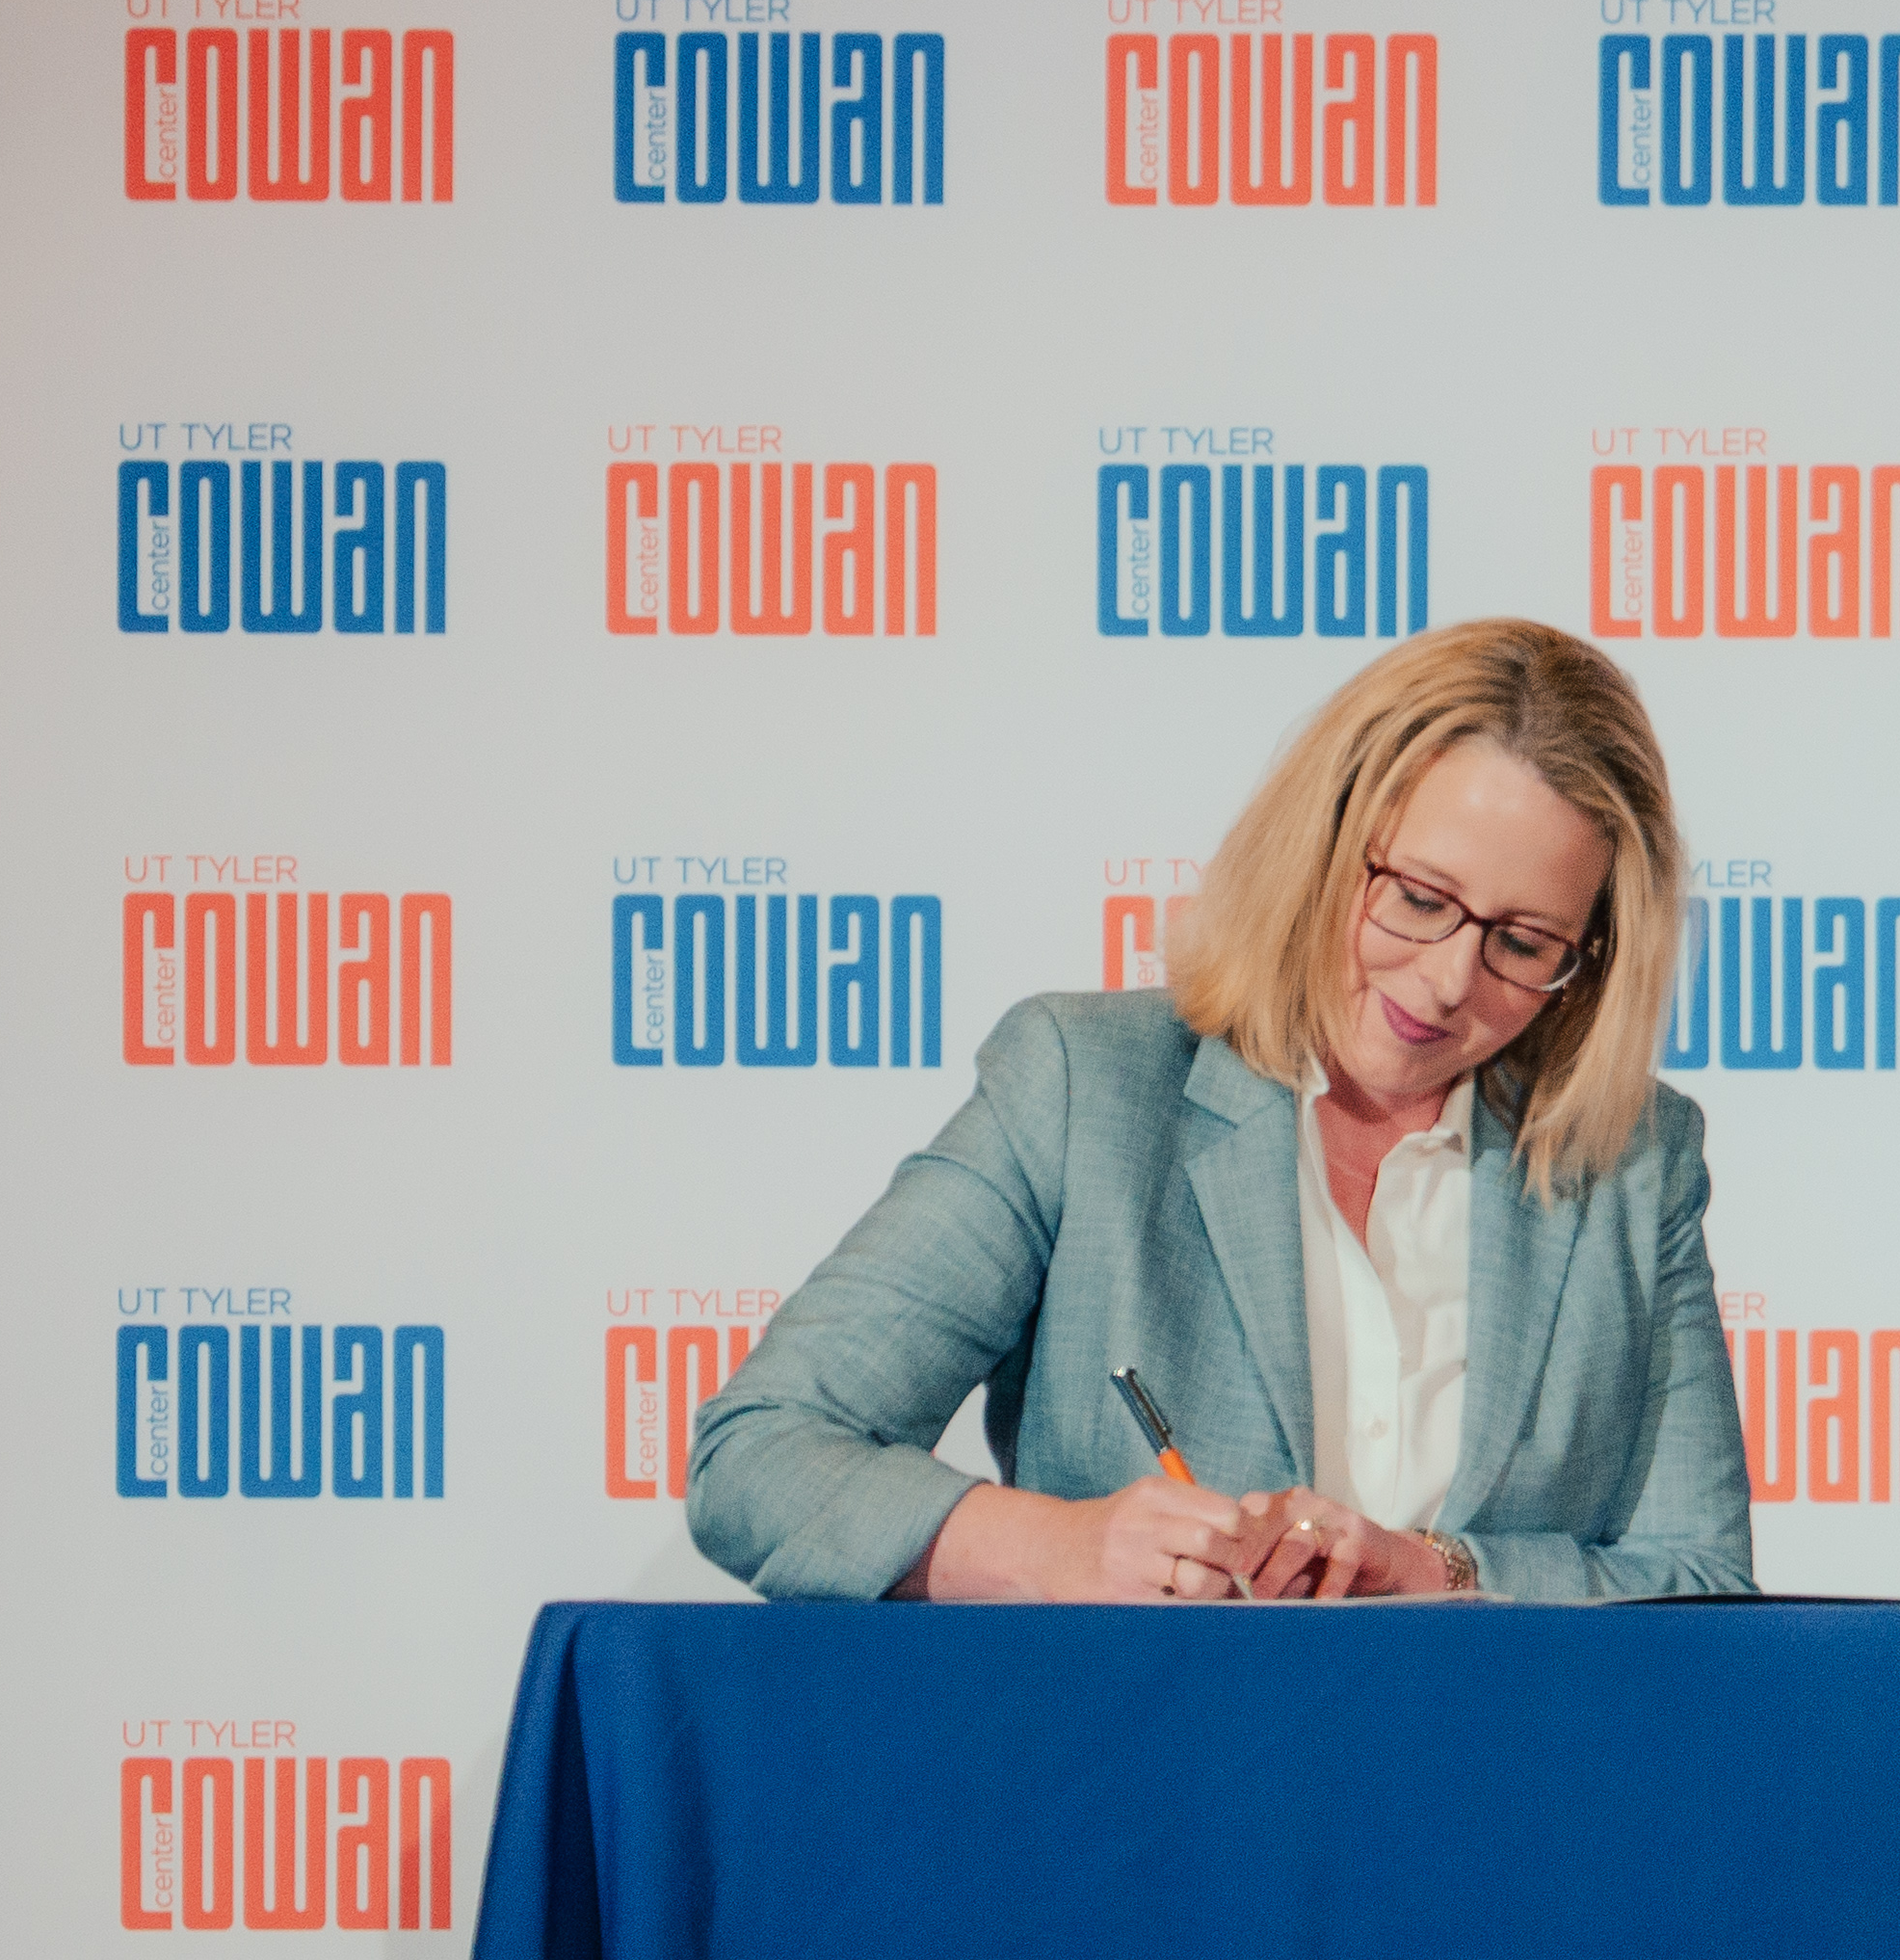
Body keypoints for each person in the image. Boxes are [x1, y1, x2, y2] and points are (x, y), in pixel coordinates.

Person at [690, 621, 1752, 1604]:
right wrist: (1065, 1548)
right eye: (1419, 898)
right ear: (1324, 839)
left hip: (1495, 1797)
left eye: (1523, 944)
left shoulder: (1634, 1161)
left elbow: (1702, 1579)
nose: (1443, 982)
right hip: (1136, 1782)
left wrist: (1438, 1570)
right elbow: (760, 1457)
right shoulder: (1082, 1084)